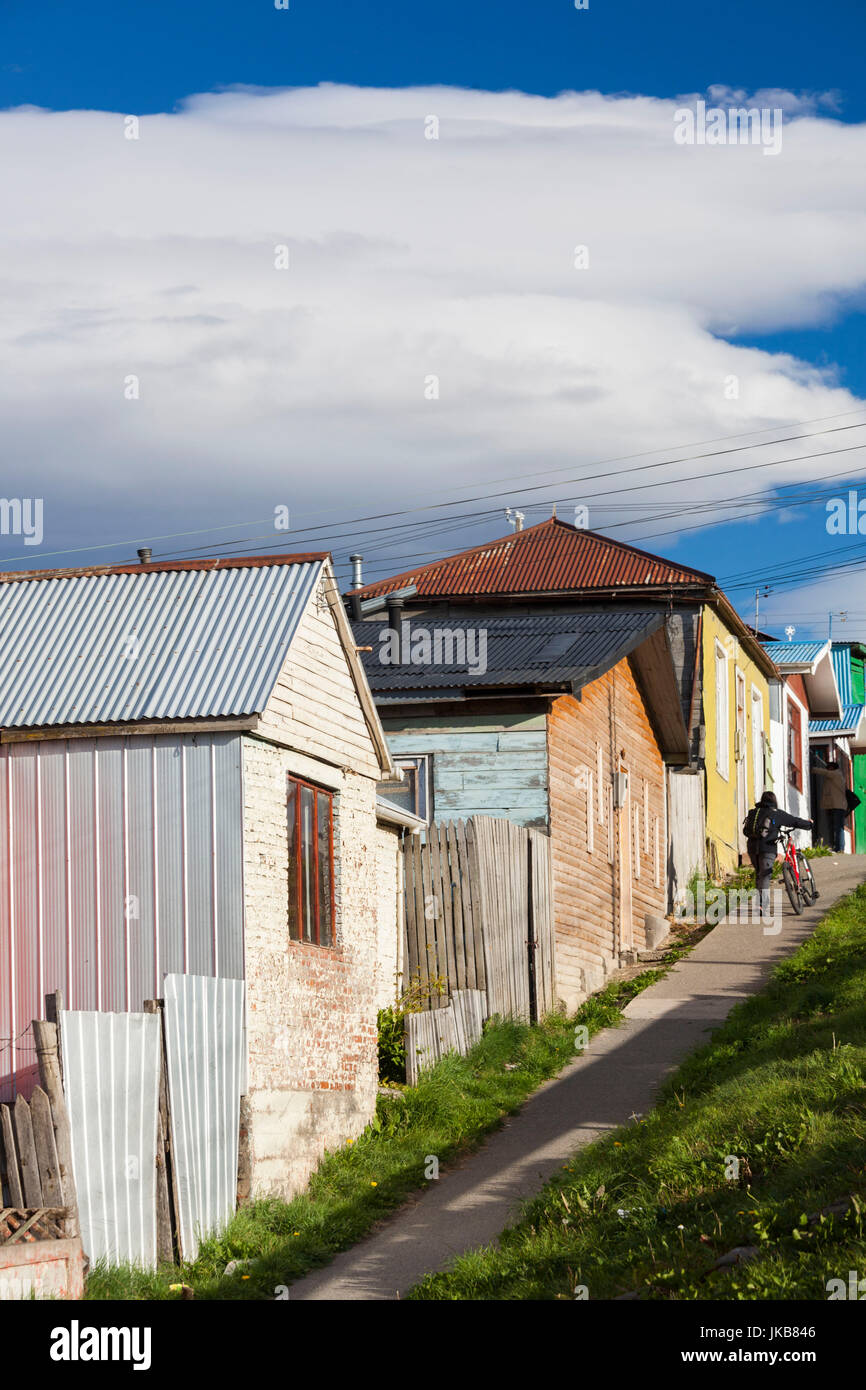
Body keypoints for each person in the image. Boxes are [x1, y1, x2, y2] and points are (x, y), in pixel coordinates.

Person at [744, 790, 814, 914]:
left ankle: (759, 903)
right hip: (767, 847)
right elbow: (795, 821)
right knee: (765, 875)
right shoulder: (775, 813)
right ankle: (761, 906)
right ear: (774, 801)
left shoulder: (753, 812)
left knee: (759, 874)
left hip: (752, 846)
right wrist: (809, 824)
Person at [813, 755, 849, 852]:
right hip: (835, 806)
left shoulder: (835, 774)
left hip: (838, 806)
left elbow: (824, 772)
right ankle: (837, 847)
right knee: (836, 827)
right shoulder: (836, 776)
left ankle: (840, 848)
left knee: (838, 828)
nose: (827, 770)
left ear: (832, 768)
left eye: (828, 768)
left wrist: (812, 768)